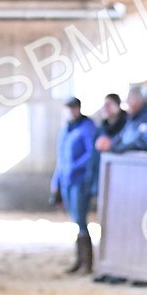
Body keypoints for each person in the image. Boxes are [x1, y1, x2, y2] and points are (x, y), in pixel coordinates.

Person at [50, 97, 97, 275]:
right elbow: (60, 159)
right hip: (66, 181)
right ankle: (79, 260)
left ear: (78, 109)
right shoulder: (65, 131)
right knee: (75, 220)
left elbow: (90, 153)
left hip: (80, 180)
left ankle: (87, 262)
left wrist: (74, 168)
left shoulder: (86, 128)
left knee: (80, 219)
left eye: (73, 108)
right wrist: (55, 183)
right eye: (68, 108)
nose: (71, 111)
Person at [95, 84, 147, 155]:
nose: (127, 102)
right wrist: (110, 143)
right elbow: (122, 138)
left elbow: (141, 143)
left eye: (130, 98)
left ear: (139, 99)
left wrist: (112, 147)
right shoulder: (133, 118)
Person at [90, 92, 127, 197]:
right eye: (104, 105)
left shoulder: (128, 126)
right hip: (102, 176)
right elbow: (93, 156)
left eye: (109, 104)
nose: (105, 108)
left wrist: (111, 145)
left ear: (118, 106)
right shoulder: (100, 129)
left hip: (121, 178)